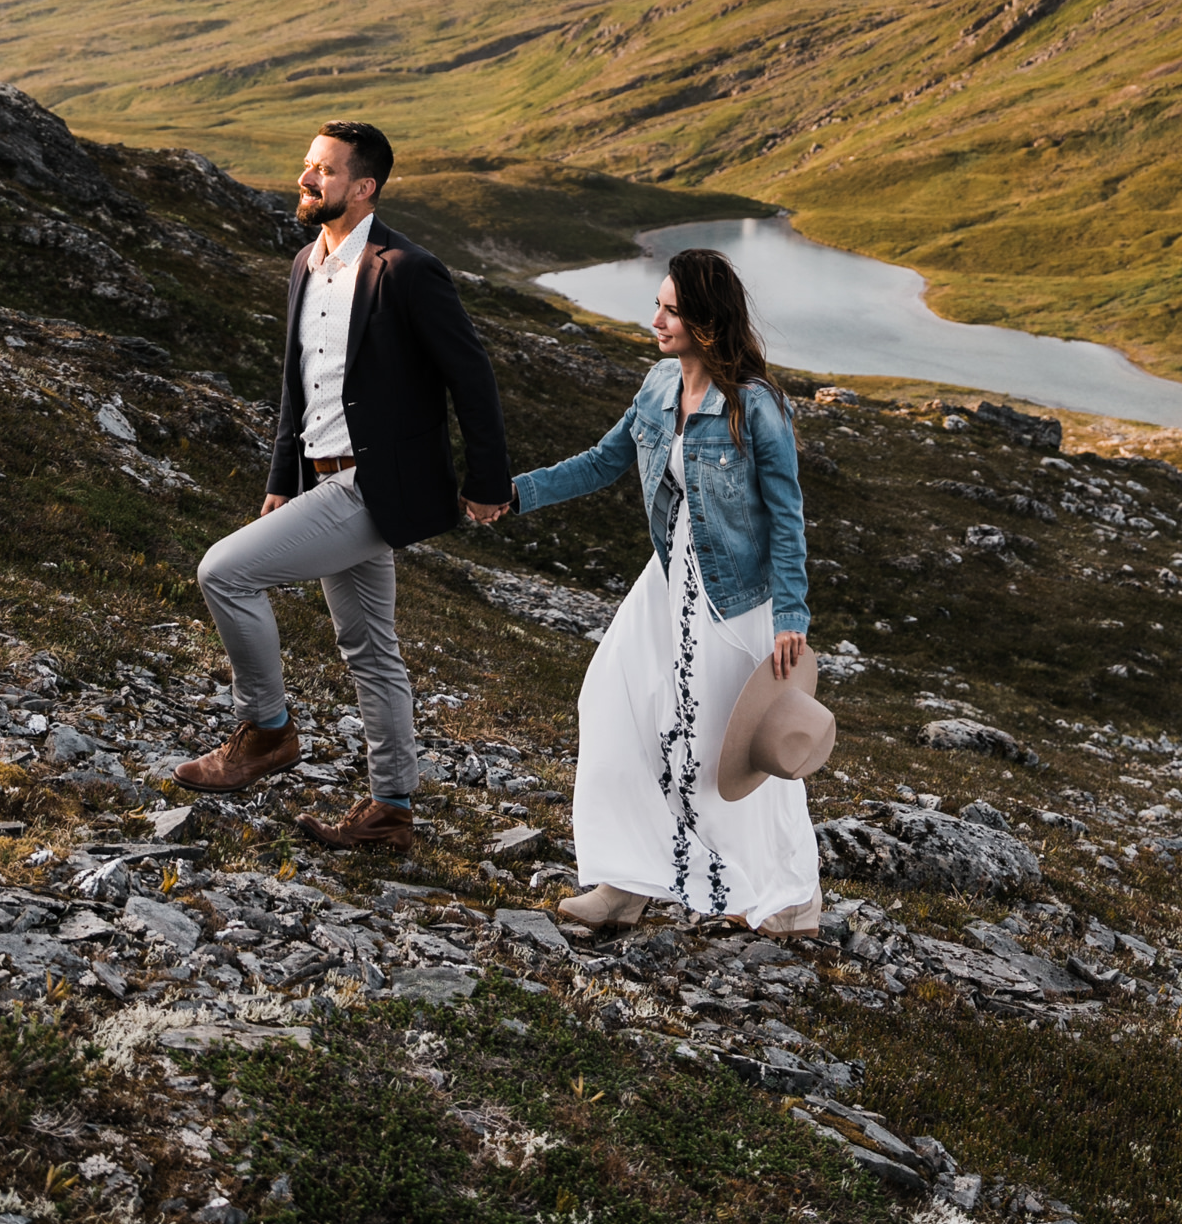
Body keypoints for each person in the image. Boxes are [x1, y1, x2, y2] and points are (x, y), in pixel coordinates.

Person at [174, 120, 512, 853]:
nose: (305, 179)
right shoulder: (304, 264)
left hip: (372, 487)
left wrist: (489, 481)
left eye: (322, 170)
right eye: (306, 165)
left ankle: (264, 732)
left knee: (224, 572)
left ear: (363, 188)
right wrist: (280, 480)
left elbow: (471, 375)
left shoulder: (405, 269)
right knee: (369, 649)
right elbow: (299, 387)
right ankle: (391, 811)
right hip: (318, 479)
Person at [505, 248, 823, 933]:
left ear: (707, 320)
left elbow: (787, 513)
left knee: (723, 752)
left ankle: (791, 895)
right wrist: (514, 495)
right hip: (666, 582)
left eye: (671, 310)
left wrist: (790, 614)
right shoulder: (655, 386)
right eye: (657, 304)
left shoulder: (755, 407)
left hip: (734, 599)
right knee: (612, 706)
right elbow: (602, 463)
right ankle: (627, 880)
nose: (655, 320)